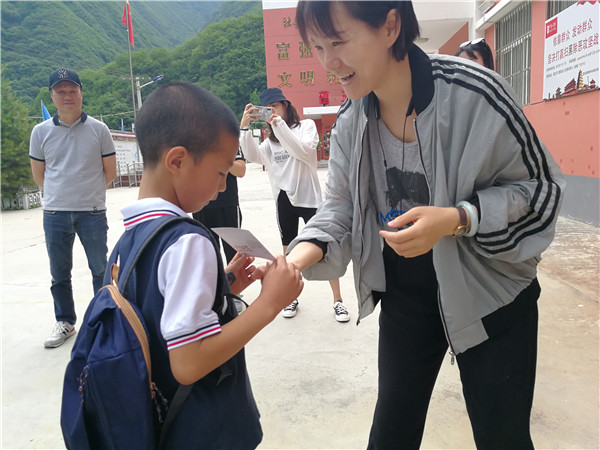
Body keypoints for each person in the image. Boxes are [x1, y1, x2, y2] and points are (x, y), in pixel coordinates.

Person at [286, 2, 565, 448]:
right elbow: (340, 205)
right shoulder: (351, 121)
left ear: (390, 25)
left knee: (503, 438)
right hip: (405, 295)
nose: (328, 62)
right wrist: (294, 262)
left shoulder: (477, 95)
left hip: (490, 292)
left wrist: (458, 218)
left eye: (337, 41)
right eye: (317, 47)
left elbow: (541, 191)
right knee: (390, 435)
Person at [122, 80, 303, 448]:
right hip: (203, 429)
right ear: (177, 161)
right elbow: (189, 363)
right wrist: (270, 303)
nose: (222, 187)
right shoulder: (188, 240)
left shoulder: (133, 234)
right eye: (220, 173)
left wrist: (222, 286)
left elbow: (160, 308)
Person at [239, 87, 349, 322]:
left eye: (274, 107)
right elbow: (253, 156)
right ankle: (291, 298)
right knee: (288, 251)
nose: (271, 112)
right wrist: (245, 129)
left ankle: (338, 300)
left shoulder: (306, 127)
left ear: (285, 105)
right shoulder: (270, 141)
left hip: (309, 198)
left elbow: (303, 151)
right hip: (284, 199)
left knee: (325, 248)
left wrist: (278, 124)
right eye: (267, 109)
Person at [29, 68, 117, 348]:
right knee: (59, 273)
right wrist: (61, 194)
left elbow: (110, 172)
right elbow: (39, 175)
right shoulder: (40, 132)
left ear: (81, 93)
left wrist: (87, 193)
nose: (67, 96)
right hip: (55, 213)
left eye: (72, 90)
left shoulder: (99, 130)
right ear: (52, 95)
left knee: (100, 269)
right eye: (61, 91)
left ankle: (103, 321)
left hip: (92, 212)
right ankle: (65, 322)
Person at [192, 147, 246, 264]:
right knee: (206, 258)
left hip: (227, 205)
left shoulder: (229, 142)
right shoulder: (192, 142)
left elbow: (241, 171)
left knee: (234, 256)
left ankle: (233, 277)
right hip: (200, 206)